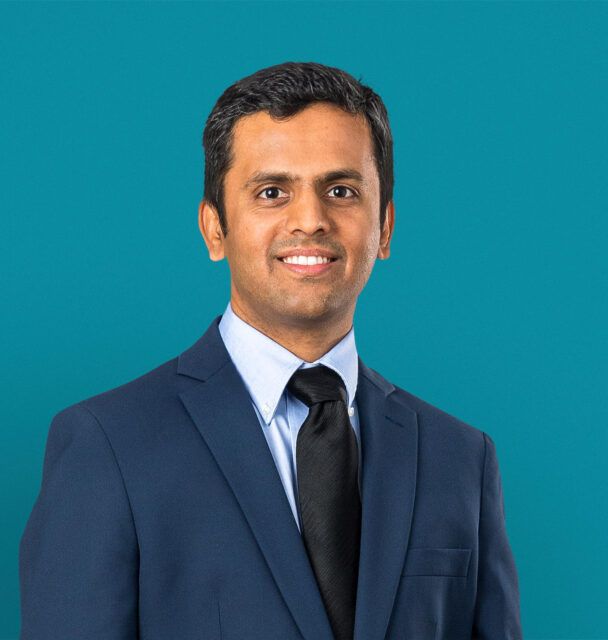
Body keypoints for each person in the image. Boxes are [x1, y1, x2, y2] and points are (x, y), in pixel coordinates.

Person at [19, 61, 522, 640]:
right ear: (214, 228)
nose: (310, 220)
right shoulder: (109, 446)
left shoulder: (461, 459)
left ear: (384, 227)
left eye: (341, 191)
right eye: (272, 192)